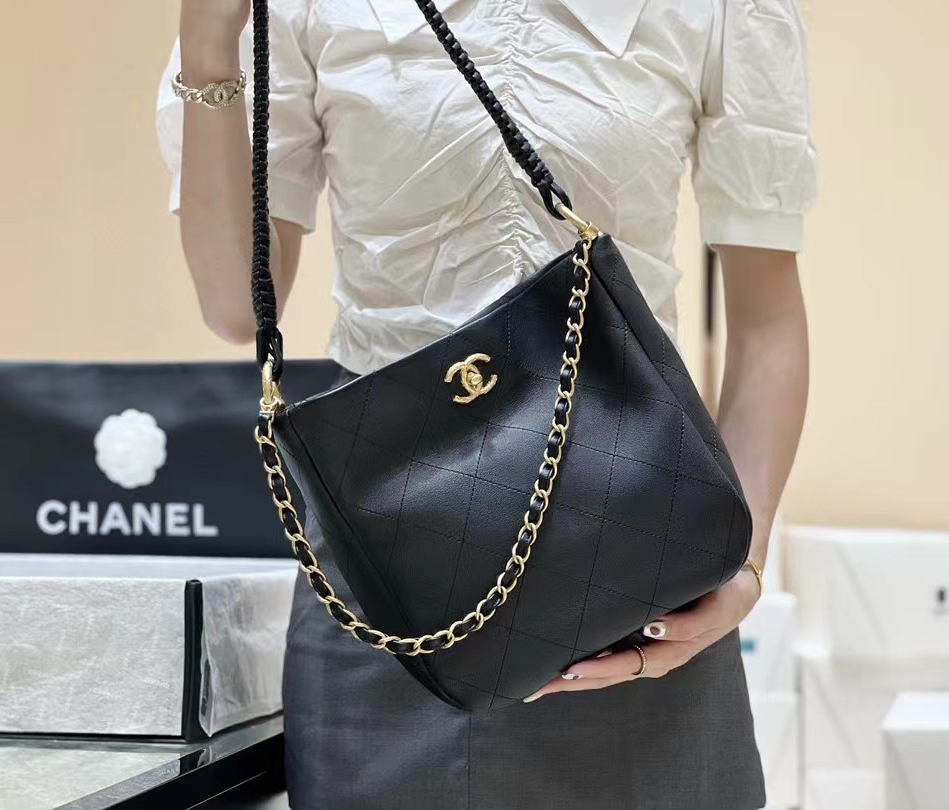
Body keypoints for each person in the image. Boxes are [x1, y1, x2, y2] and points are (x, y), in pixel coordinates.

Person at [157, 0, 814, 806]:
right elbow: (235, 304)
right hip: (389, 571)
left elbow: (766, 319)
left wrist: (742, 570)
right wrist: (207, 42)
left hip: (643, 552)